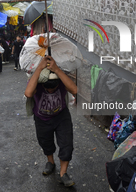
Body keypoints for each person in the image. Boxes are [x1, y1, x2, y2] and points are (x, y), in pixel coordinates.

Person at [25, 56, 77, 187]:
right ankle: (51, 162)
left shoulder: (61, 77)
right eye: (47, 89)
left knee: (66, 144)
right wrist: (40, 67)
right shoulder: (38, 79)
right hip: (42, 118)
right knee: (45, 142)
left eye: (53, 88)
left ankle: (63, 173)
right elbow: (28, 93)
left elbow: (75, 90)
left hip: (61, 117)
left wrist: (56, 69)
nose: (50, 91)